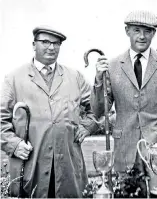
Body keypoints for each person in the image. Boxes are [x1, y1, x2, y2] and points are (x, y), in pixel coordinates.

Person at [91, 10, 157, 197]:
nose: (142, 36)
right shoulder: (111, 66)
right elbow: (98, 111)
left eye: (148, 31)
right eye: (137, 30)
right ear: (127, 31)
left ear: (154, 33)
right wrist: (98, 80)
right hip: (124, 150)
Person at [1, 26, 97, 198]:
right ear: (33, 44)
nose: (51, 47)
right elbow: (2, 120)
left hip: (69, 167)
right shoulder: (14, 78)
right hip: (31, 166)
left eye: (56, 43)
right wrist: (14, 145)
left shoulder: (75, 77)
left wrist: (87, 126)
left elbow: (96, 109)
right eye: (45, 42)